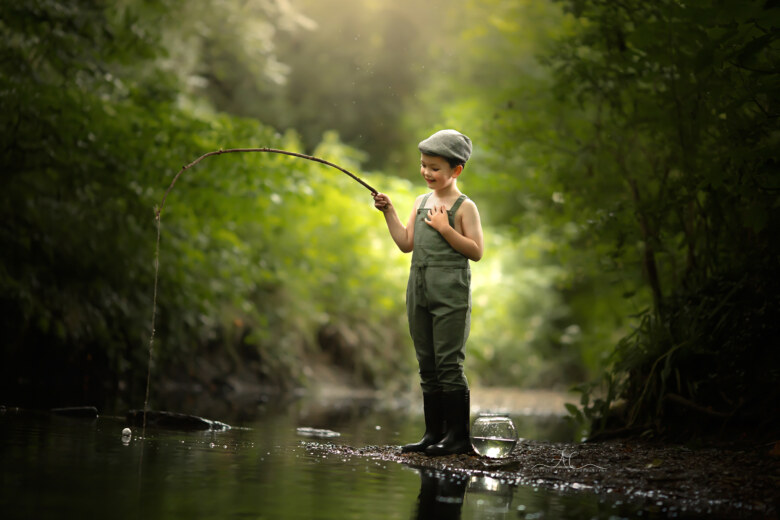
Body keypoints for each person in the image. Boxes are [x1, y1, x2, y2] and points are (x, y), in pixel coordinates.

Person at [373, 129, 484, 455]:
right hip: (418, 289)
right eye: (424, 165)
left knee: (449, 363)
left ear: (456, 170)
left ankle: (458, 437)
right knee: (428, 363)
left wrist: (446, 229)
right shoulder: (421, 202)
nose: (427, 173)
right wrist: (389, 212)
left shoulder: (465, 207)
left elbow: (476, 251)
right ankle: (433, 434)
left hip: (450, 291)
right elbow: (406, 243)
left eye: (435, 168)